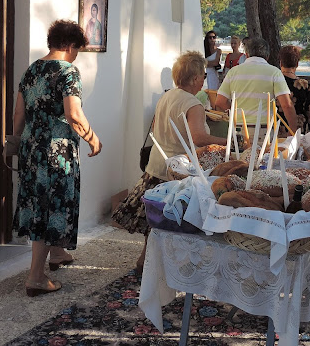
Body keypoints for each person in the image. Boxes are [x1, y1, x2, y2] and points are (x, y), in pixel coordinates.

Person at [112, 51, 228, 272]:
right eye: (203, 75)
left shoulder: (167, 96)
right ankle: (167, 266)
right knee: (174, 223)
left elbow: (157, 127)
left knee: (155, 223)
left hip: (157, 165)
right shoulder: (193, 103)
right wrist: (228, 141)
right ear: (195, 77)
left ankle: (145, 261)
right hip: (177, 171)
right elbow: (198, 138)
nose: (203, 80)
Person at [12, 19, 102, 297]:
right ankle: (36, 277)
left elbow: (18, 115)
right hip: (56, 151)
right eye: (77, 50)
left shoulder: (31, 70)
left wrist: (15, 143)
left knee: (41, 204)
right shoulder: (68, 71)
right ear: (70, 45)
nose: (76, 56)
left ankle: (58, 253)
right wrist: (92, 137)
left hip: (31, 149)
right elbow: (73, 113)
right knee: (49, 206)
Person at [215, 37, 298, 132]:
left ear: (246, 54)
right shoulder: (274, 72)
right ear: (267, 56)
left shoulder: (233, 72)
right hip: (264, 129)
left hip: (238, 128)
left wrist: (236, 112)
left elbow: (220, 101)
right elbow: (286, 105)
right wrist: (293, 131)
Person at [279, 45, 310, 133]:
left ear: (281, 63)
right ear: (297, 64)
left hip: (278, 128)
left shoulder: (275, 82)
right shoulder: (305, 85)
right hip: (299, 128)